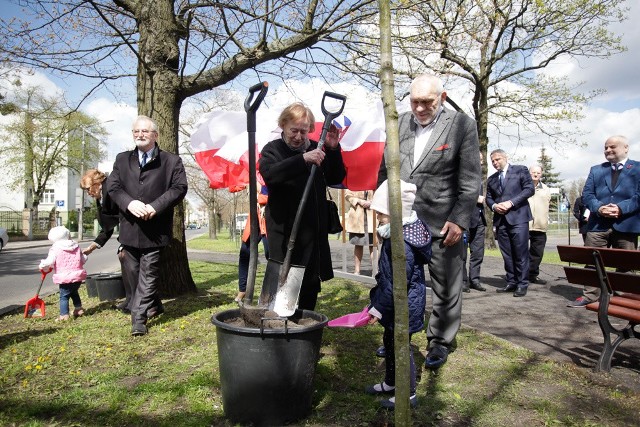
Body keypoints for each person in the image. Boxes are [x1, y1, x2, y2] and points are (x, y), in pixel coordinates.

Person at [376, 74, 481, 370]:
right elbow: (385, 171)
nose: (420, 108)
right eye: (415, 101)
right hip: (402, 223)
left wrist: (459, 220)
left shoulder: (462, 125)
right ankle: (397, 337)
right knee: (399, 283)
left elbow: (471, 180)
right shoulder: (399, 124)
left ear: (442, 97)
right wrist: (384, 211)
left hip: (443, 224)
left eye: (427, 102)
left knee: (447, 286)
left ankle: (440, 341)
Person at [258, 103, 345, 311]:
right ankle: (277, 320)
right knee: (283, 277)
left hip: (312, 230)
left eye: (303, 131)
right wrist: (302, 159)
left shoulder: (317, 147)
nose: (298, 136)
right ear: (283, 126)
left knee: (310, 280)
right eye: (293, 130)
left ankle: (306, 322)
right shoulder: (273, 149)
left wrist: (332, 149)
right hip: (284, 228)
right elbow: (270, 175)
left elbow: (335, 177)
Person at [108, 115, 188, 336]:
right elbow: (113, 187)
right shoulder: (122, 159)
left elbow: (179, 188)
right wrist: (129, 203)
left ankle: (139, 319)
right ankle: (154, 304)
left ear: (155, 135)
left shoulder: (171, 161)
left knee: (149, 273)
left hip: (155, 230)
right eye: (136, 131)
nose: (140, 135)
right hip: (129, 228)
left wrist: (155, 207)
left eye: (144, 131)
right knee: (132, 272)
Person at [364, 179, 431, 410]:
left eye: (382, 214)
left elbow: (396, 283)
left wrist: (377, 308)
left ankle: (408, 392)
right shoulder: (395, 234)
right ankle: (391, 382)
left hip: (404, 304)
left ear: (396, 212)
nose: (379, 218)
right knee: (389, 341)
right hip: (394, 303)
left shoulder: (402, 242)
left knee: (401, 347)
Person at [568, 135, 640, 307]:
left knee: (626, 264)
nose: (607, 150)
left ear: (625, 148)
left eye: (612, 147)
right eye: (606, 147)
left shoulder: (638, 168)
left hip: (626, 223)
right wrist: (599, 208)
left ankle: (623, 296)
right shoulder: (596, 170)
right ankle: (590, 295)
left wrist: (621, 208)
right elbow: (587, 195)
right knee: (593, 261)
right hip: (598, 224)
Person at [80, 169, 134, 314]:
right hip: (128, 230)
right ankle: (130, 299)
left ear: (96, 183)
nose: (88, 193)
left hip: (134, 227)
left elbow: (125, 211)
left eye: (88, 189)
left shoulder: (112, 187)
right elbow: (107, 226)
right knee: (123, 259)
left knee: (127, 259)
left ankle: (136, 301)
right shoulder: (101, 196)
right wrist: (93, 246)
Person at [486, 149, 535, 297]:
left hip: (518, 218)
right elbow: (489, 198)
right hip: (501, 221)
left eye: (498, 159)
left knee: (520, 253)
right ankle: (511, 281)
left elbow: (529, 189)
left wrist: (511, 203)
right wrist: (494, 206)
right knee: (507, 254)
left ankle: (522, 284)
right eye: (493, 161)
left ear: (506, 157)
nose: (495, 163)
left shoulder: (520, 170)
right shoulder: (492, 179)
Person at [39, 226, 87, 322]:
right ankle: (79, 309)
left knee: (64, 296)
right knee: (74, 292)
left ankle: (64, 315)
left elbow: (50, 261)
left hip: (64, 277)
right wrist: (85, 256)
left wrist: (42, 265)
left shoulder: (55, 247)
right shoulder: (76, 245)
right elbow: (83, 259)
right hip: (77, 276)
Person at [235, 186, 269, 302]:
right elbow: (234, 185)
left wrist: (259, 190)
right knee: (245, 253)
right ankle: (243, 289)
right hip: (256, 216)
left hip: (270, 218)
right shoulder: (254, 172)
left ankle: (271, 293)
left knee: (271, 255)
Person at [462, 151, 487, 293]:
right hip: (464, 219)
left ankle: (475, 280)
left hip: (479, 219)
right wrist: (474, 198)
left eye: (481, 159)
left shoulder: (481, 177)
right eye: (477, 158)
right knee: (462, 254)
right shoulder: (462, 174)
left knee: (478, 253)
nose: (479, 161)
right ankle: (463, 281)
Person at [527, 165, 551, 285]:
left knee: (537, 253)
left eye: (538, 173)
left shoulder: (546, 189)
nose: (535, 174)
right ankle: (519, 274)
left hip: (540, 226)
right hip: (525, 224)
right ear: (529, 173)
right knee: (521, 252)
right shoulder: (523, 187)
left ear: (541, 174)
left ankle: (532, 275)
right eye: (533, 172)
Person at [345, 189, 375, 275]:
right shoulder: (354, 181)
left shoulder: (374, 181)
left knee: (373, 245)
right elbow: (347, 195)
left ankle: (375, 270)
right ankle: (357, 270)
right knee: (358, 245)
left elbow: (380, 195)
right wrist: (358, 201)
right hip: (357, 219)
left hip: (372, 216)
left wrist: (371, 202)